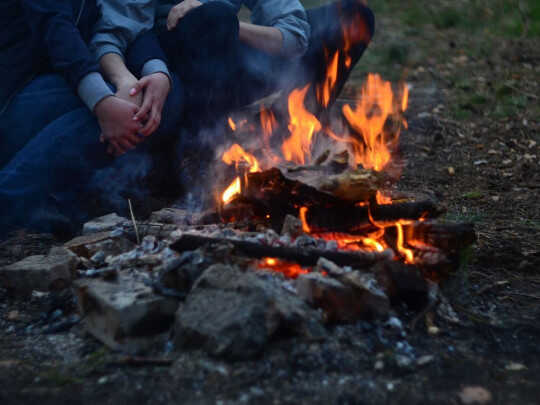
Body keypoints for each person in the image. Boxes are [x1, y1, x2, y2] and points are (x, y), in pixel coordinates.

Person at [0, 0, 184, 236]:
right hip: (13, 94)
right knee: (109, 112)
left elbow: (122, 26)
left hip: (54, 83)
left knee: (158, 98)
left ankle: (68, 197)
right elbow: (56, 29)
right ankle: (10, 197)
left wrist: (156, 72)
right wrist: (102, 102)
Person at [155, 0, 375, 125]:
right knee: (211, 18)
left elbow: (295, 37)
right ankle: (200, 153)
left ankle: (285, 130)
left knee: (353, 18)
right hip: (167, 75)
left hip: (229, 64)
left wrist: (230, 28)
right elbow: (126, 34)